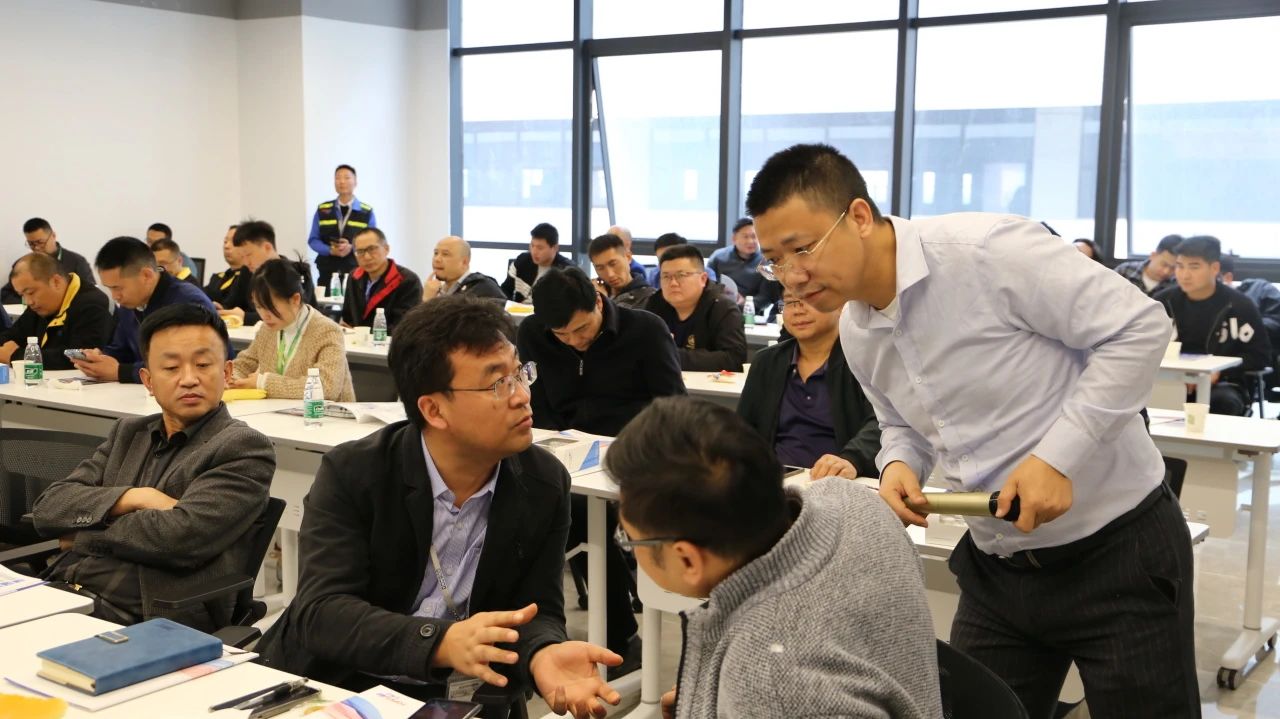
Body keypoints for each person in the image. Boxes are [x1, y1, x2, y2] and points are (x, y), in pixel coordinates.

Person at [748, 143, 1196, 717]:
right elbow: (900, 421)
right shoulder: (857, 329)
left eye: (803, 249)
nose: (793, 276)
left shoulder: (987, 252)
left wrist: (1057, 458)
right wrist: (899, 465)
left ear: (858, 216)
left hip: (1117, 551)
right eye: (775, 261)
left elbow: (1138, 327)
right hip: (997, 567)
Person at [256, 297, 623, 718]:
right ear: (433, 409)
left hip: (468, 697)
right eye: (497, 384)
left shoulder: (543, 482)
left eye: (520, 373)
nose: (522, 396)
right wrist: (441, 642)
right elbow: (321, 614)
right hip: (346, 687)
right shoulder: (356, 473)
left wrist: (541, 652)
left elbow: (538, 609)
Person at [606, 397, 942, 719]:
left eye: (629, 539)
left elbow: (783, 686)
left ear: (688, 560)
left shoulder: (773, 683)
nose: (629, 545)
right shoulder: (850, 500)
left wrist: (750, 700)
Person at [31, 304, 275, 630]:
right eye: (171, 368)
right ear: (147, 380)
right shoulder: (128, 433)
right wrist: (135, 497)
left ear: (227, 373)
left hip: (149, 616)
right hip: (64, 590)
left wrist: (85, 535)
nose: (189, 379)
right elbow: (49, 508)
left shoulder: (243, 447)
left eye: (203, 365)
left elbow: (178, 538)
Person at [517, 266, 684, 669]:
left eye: (581, 329)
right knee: (559, 511)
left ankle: (618, 632)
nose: (575, 341)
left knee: (578, 515)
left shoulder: (645, 330)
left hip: (633, 451)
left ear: (597, 300)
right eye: (562, 336)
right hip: (564, 452)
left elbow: (673, 406)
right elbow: (538, 406)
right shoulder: (532, 333)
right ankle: (612, 632)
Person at [736, 289, 881, 479]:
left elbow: (883, 422)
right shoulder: (767, 361)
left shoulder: (864, 360)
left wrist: (852, 459)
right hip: (774, 480)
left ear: (840, 306)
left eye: (809, 299)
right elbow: (742, 429)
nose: (798, 310)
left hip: (838, 480)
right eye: (790, 302)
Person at [73, 237, 218, 383]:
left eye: (118, 288)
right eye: (110, 288)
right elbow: (122, 349)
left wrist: (120, 372)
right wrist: (100, 358)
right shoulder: (130, 304)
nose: (115, 296)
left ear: (146, 275)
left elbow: (185, 364)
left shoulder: (188, 302)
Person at [1154, 236, 1271, 416]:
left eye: (1194, 267)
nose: (1184, 275)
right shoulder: (1163, 302)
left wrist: (1220, 372)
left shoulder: (1239, 306)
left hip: (1223, 383)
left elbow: (1260, 356)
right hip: (1168, 379)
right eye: (1180, 266)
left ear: (1214, 268)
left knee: (1223, 402)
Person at [228, 259, 355, 401]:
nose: (264, 315)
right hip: (278, 410)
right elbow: (245, 363)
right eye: (258, 306)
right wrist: (231, 379)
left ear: (295, 299)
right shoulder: (267, 329)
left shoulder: (327, 331)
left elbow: (326, 388)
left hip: (324, 413)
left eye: (271, 307)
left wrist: (263, 383)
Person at [644, 245, 747, 372]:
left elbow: (733, 359)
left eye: (681, 275)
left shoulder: (722, 308)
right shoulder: (655, 304)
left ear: (703, 279)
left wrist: (669, 355)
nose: (673, 283)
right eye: (666, 276)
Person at [0, 252, 111, 368]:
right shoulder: (39, 306)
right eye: (22, 295)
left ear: (56, 282)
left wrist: (15, 356)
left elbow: (80, 355)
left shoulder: (91, 304)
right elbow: (12, 336)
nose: (28, 301)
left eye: (30, 292)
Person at [223, 220, 318, 326]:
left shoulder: (296, 272)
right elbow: (232, 305)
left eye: (248, 255)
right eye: (242, 257)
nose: (246, 262)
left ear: (267, 247)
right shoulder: (247, 272)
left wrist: (246, 317)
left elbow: (300, 314)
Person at [340, 227, 423, 333]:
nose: (367, 257)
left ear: (386, 249)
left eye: (372, 249)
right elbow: (348, 317)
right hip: (357, 340)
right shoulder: (354, 276)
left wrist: (364, 333)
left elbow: (405, 326)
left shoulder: (408, 280)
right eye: (360, 252)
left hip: (391, 341)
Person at [308, 164, 376, 289]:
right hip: (327, 271)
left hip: (356, 270)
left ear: (355, 182)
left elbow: (372, 242)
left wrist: (352, 247)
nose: (342, 181)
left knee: (355, 299)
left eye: (347, 178)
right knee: (324, 301)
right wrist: (330, 250)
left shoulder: (366, 212)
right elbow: (313, 240)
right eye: (338, 178)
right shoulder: (323, 209)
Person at [1, 218, 97, 304]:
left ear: (53, 236)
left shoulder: (77, 261)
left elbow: (91, 293)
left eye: (40, 242)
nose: (36, 248)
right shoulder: (22, 265)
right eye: (31, 244)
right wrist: (28, 299)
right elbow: (5, 295)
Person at [645, 233, 739, 304]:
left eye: (672, 257)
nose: (667, 263)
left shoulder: (705, 273)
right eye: (661, 260)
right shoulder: (655, 273)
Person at [502, 222, 571, 303]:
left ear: (555, 248)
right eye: (532, 246)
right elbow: (505, 290)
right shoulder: (522, 261)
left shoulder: (565, 271)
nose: (534, 252)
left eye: (540, 248)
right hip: (518, 309)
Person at [421, 236, 505, 303]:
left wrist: (428, 302)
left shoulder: (483, 288)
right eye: (436, 253)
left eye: (445, 254)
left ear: (464, 262)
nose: (437, 259)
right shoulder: (436, 290)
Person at [587, 234, 655, 309]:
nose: (610, 274)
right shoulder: (594, 292)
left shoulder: (650, 298)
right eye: (600, 268)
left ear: (628, 257)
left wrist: (604, 302)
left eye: (613, 264)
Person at [1115, 234, 1181, 296]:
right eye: (1164, 264)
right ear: (1153, 255)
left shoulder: (1177, 283)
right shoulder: (1124, 271)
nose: (1166, 272)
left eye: (1173, 268)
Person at [205, 225, 248, 307]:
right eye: (225, 242)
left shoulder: (252, 278)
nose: (226, 246)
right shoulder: (217, 278)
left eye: (233, 242)